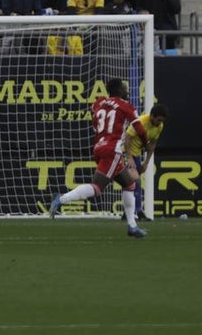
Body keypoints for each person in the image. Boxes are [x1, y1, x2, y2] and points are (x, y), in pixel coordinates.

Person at [48, 78, 150, 238]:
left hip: (99, 147)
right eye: (124, 88)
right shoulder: (126, 106)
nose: (126, 90)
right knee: (97, 188)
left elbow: (95, 119)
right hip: (112, 150)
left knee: (129, 184)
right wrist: (145, 143)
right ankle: (61, 199)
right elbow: (141, 130)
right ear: (119, 90)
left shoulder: (100, 103)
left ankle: (132, 226)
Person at [123, 103, 168, 223]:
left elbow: (152, 144)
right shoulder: (141, 122)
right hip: (125, 152)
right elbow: (127, 138)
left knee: (131, 183)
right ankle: (138, 212)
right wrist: (129, 157)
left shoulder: (159, 126)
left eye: (161, 121)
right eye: (158, 120)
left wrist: (146, 162)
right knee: (135, 182)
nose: (159, 123)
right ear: (152, 116)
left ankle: (127, 213)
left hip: (136, 154)